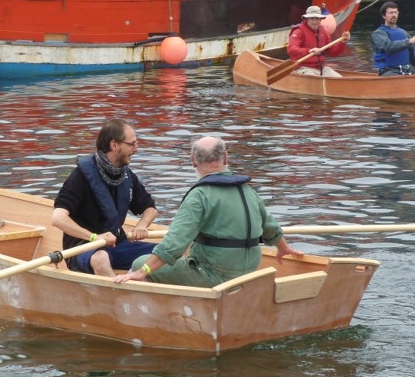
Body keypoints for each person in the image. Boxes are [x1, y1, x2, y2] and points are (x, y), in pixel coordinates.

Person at [114, 136, 303, 288]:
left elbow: (175, 242)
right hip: (249, 272)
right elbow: (270, 227)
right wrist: (283, 248)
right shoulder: (248, 190)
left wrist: (143, 271)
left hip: (216, 276)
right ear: (226, 157)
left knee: (140, 262)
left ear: (193, 161)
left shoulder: (199, 196)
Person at [52, 119, 158, 277]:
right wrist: (94, 237)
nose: (136, 149)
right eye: (132, 144)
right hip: (82, 249)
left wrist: (142, 225)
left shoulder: (127, 176)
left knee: (163, 253)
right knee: (101, 259)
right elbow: (57, 218)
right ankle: (117, 299)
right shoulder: (80, 177)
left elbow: (150, 208)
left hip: (116, 245)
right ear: (114, 145)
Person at [371, 1, 415, 76]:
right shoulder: (378, 34)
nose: (394, 15)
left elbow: (413, 56)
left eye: (395, 12)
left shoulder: (404, 33)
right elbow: (388, 47)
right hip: (389, 71)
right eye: (391, 13)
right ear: (384, 16)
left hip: (407, 70)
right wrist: (409, 41)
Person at [287, 5, 349, 77]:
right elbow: (291, 50)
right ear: (306, 19)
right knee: (315, 80)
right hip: (303, 68)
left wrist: (342, 42)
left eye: (317, 19)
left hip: (321, 68)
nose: (315, 22)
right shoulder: (298, 31)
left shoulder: (322, 31)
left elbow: (332, 52)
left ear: (320, 20)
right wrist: (309, 51)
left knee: (339, 79)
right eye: (312, 19)